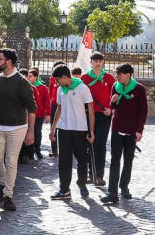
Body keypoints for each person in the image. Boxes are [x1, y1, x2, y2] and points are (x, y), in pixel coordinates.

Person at [0, 49, 37, 211]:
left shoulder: (22, 82)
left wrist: (31, 131)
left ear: (8, 61)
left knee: (11, 160)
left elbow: (31, 107)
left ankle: (8, 195)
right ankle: (4, 184)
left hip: (17, 128)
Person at [101, 63, 148, 204]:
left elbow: (143, 111)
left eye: (120, 74)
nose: (117, 76)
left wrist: (139, 130)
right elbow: (113, 107)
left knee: (128, 160)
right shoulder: (115, 86)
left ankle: (124, 187)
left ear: (128, 75)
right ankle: (112, 192)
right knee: (115, 159)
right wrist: (113, 102)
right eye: (117, 74)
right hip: (117, 127)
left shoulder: (139, 89)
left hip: (132, 130)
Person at [49, 64, 95, 200]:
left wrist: (91, 131)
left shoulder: (82, 88)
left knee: (82, 160)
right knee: (64, 161)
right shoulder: (60, 90)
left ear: (64, 77)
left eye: (58, 80)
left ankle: (82, 184)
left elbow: (91, 111)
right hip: (64, 130)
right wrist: (53, 129)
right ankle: (64, 189)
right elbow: (59, 109)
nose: (56, 83)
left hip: (80, 130)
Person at [80, 52, 116, 187]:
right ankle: (91, 173)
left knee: (100, 144)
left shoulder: (109, 78)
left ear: (103, 62)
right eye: (95, 60)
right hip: (88, 114)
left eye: (100, 60)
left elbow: (115, 95)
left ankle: (99, 175)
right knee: (89, 143)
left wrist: (110, 108)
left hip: (104, 115)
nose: (98, 63)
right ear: (91, 62)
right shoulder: (84, 78)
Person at [17, 68, 39, 164]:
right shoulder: (16, 87)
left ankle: (27, 154)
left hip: (28, 116)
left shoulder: (33, 89)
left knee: (28, 136)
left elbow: (34, 105)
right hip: (18, 116)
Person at [28, 68, 51, 159]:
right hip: (29, 115)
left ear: (36, 77)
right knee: (29, 132)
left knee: (37, 132)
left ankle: (37, 149)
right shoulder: (26, 87)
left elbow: (47, 102)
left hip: (39, 114)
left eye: (30, 76)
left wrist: (48, 113)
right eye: (27, 76)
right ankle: (29, 152)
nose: (28, 78)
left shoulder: (43, 88)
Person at [48, 60, 65, 157]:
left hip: (64, 104)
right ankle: (54, 150)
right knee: (53, 127)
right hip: (54, 104)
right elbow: (50, 90)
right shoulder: (52, 78)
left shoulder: (65, 78)